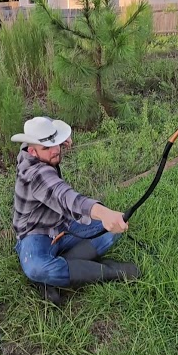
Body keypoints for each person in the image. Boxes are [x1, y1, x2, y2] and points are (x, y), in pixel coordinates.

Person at [11, 116, 141, 306]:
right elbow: (66, 197)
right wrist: (103, 213)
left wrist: (58, 140)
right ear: (32, 151)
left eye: (56, 143)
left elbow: (46, 124)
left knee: (112, 231)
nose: (56, 150)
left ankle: (53, 278)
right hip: (35, 234)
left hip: (61, 224)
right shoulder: (36, 174)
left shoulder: (31, 148)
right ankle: (109, 271)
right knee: (37, 269)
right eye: (48, 148)